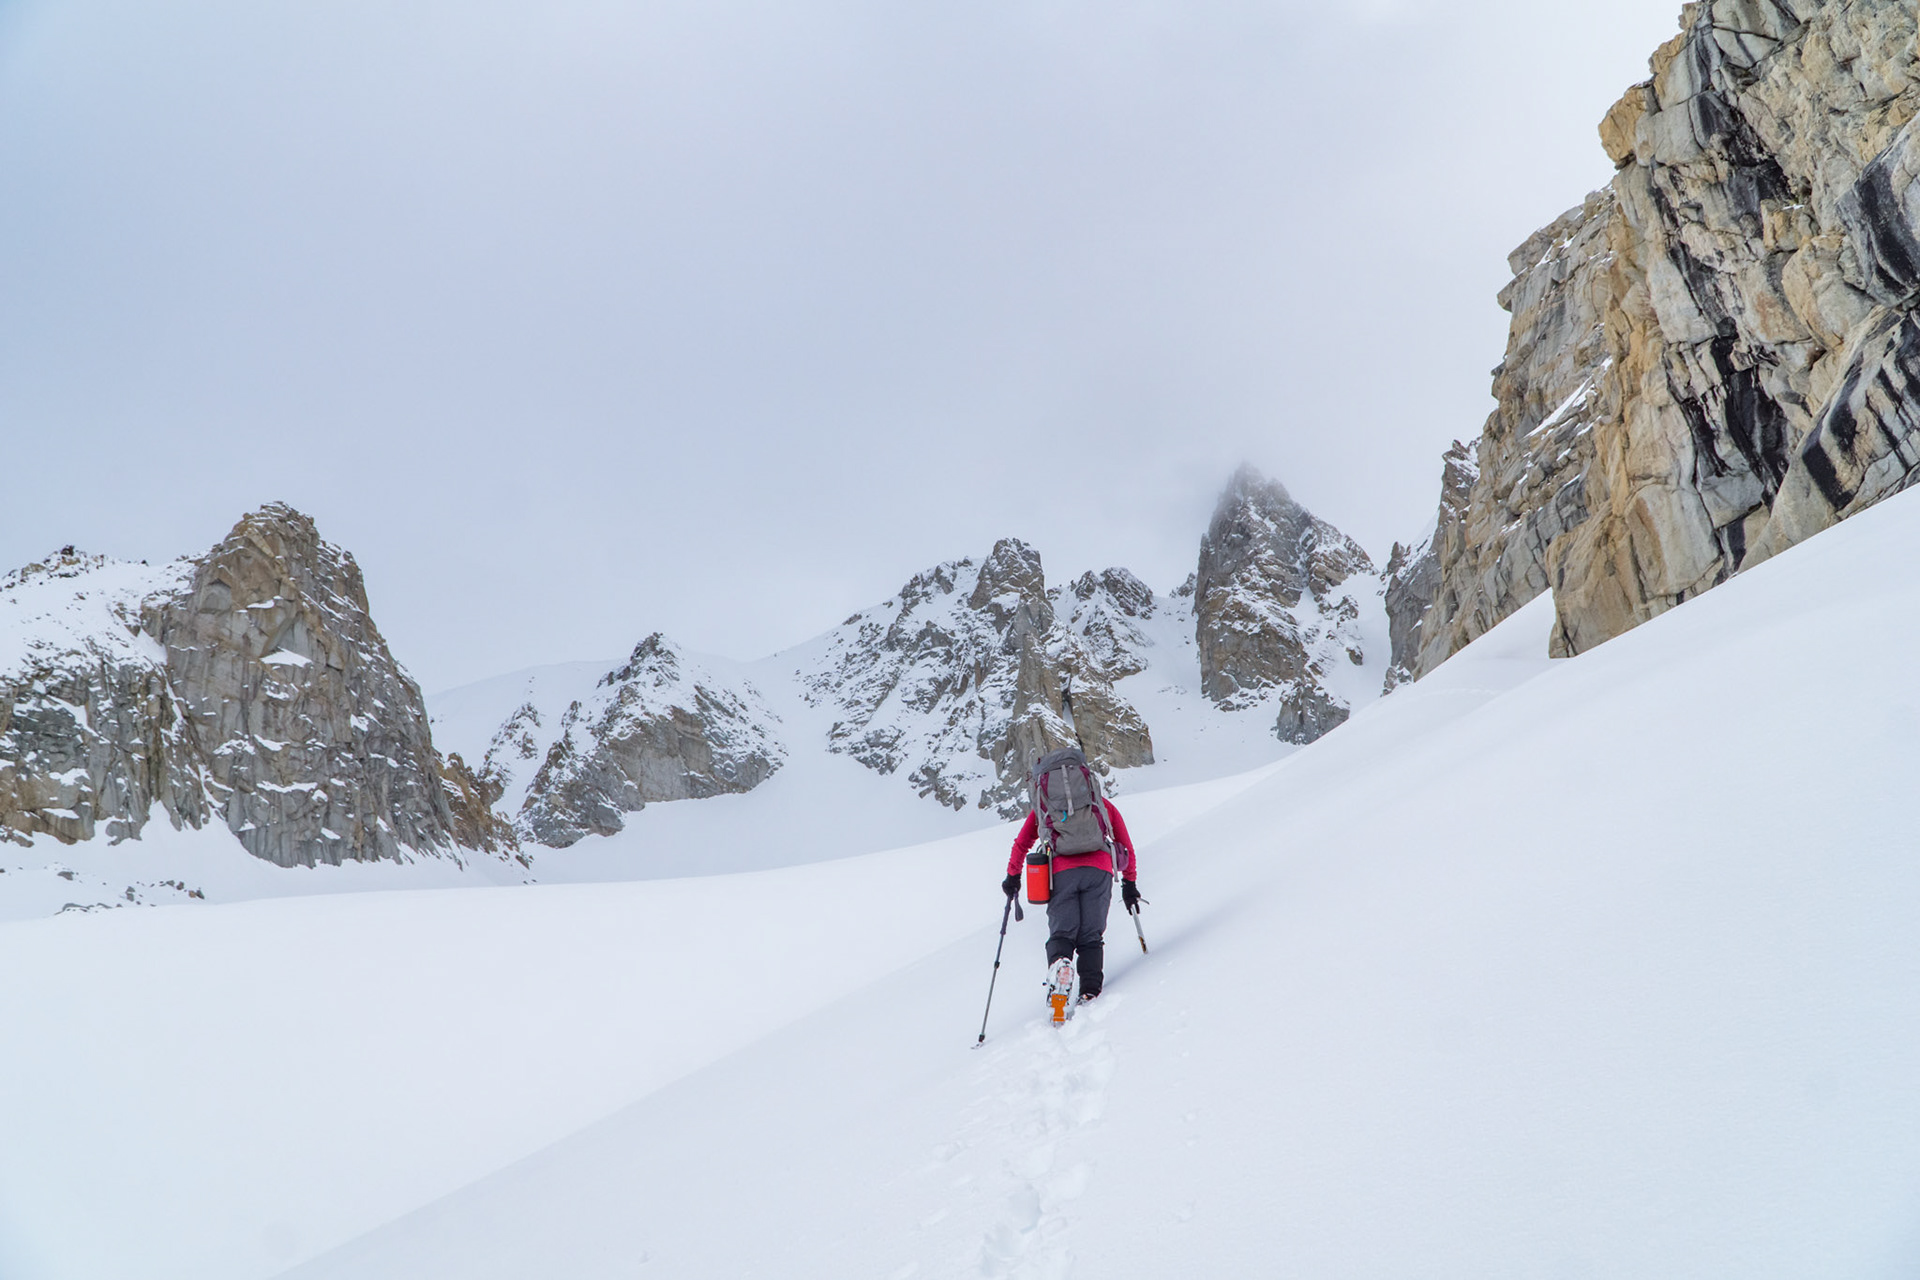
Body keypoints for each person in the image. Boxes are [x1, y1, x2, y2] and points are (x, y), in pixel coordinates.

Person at [1000, 789, 1141, 1005]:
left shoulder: (1045, 806)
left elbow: (1022, 843)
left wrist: (1013, 876)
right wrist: (1129, 883)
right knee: (1091, 935)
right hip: (1099, 870)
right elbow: (1125, 844)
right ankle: (1090, 994)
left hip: (1061, 873)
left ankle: (1060, 967)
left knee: (1062, 933)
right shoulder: (1100, 803)